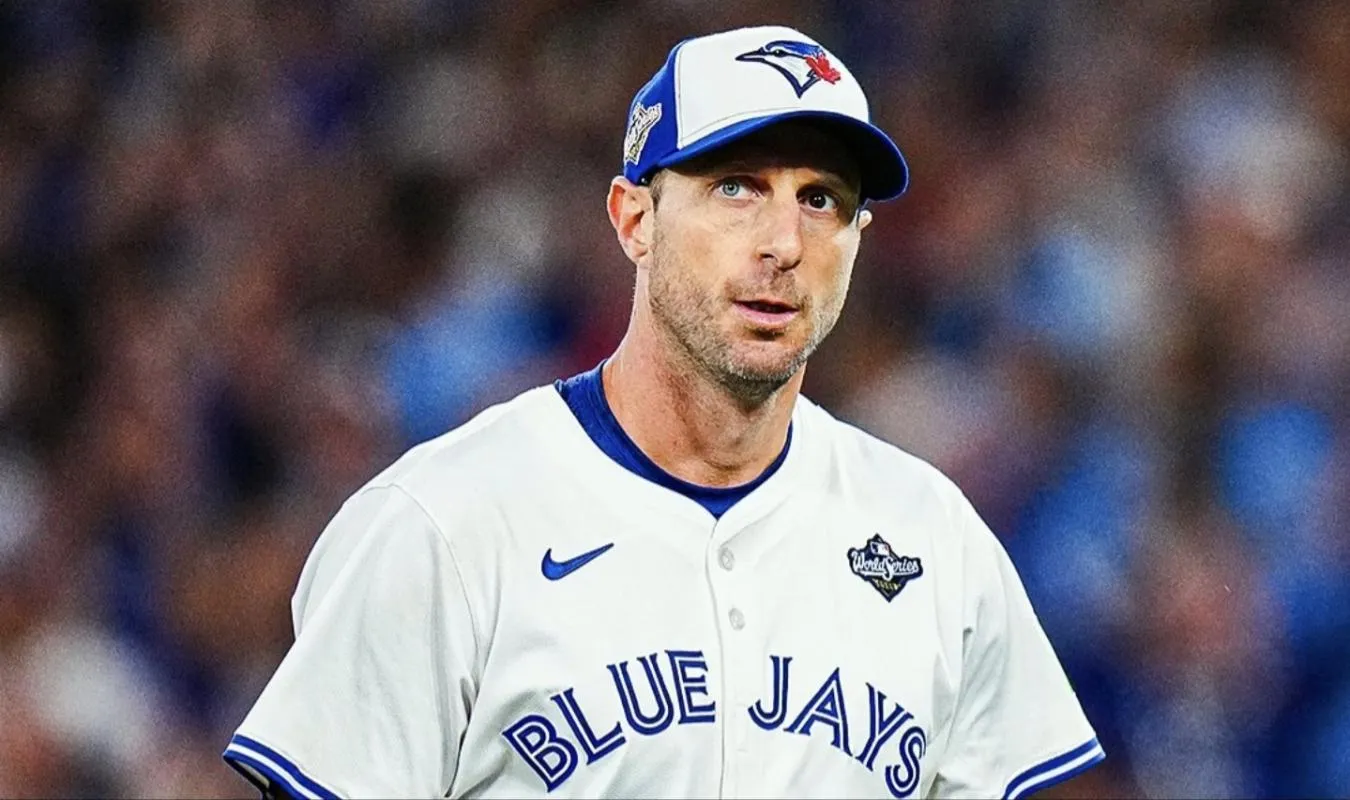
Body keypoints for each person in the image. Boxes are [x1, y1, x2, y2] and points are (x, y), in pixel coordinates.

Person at [223, 24, 1103, 799]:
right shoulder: (443, 527)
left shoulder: (933, 541)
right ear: (633, 218)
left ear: (857, 241)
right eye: (736, 187)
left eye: (821, 199)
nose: (783, 244)